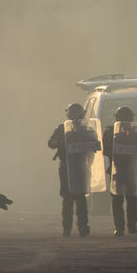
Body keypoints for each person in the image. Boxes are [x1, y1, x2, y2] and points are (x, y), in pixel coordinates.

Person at [47, 102, 93, 237]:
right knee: (68, 199)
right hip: (67, 166)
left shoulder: (86, 129)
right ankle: (67, 228)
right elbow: (51, 143)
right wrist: (61, 142)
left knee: (80, 198)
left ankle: (82, 227)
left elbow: (95, 145)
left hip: (80, 166)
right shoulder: (62, 129)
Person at [103, 106, 137, 236]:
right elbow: (105, 149)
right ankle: (120, 227)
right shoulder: (111, 132)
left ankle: (132, 226)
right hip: (117, 168)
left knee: (132, 199)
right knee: (117, 199)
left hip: (133, 168)